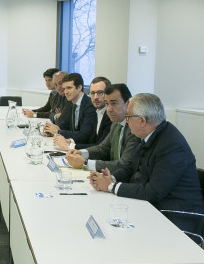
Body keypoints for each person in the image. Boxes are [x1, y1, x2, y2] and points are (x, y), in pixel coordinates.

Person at [89, 93, 204, 232]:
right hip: (154, 206)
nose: (126, 121)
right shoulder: (150, 135)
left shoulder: (171, 145)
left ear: (142, 121)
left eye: (128, 117)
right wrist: (111, 178)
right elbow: (132, 168)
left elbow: (153, 192)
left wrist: (111, 187)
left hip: (177, 216)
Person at [64, 84, 140, 172]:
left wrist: (85, 163)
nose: (109, 109)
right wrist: (81, 153)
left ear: (128, 104)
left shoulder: (134, 128)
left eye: (114, 103)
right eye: (107, 103)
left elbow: (124, 164)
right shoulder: (116, 123)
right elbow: (102, 148)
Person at [53, 77, 112, 150]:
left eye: (100, 92)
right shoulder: (98, 112)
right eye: (92, 93)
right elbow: (90, 140)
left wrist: (69, 146)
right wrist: (69, 141)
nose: (96, 97)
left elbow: (100, 148)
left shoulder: (111, 116)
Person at [43, 73, 96, 144]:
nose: (65, 92)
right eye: (64, 88)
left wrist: (58, 132)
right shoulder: (71, 102)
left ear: (79, 87)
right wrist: (52, 128)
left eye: (69, 88)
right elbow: (66, 124)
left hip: (84, 147)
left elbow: (84, 135)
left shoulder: (89, 105)